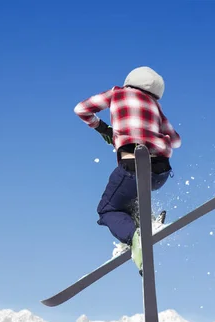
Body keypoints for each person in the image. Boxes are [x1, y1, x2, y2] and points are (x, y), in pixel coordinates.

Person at [73, 66, 181, 274]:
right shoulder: (155, 107)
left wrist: (102, 128)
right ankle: (146, 225)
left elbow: (82, 109)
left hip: (134, 166)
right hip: (161, 173)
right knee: (131, 198)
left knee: (108, 209)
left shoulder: (118, 93)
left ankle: (134, 237)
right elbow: (176, 141)